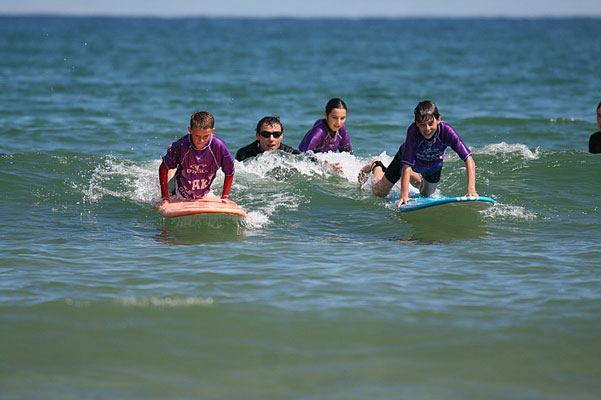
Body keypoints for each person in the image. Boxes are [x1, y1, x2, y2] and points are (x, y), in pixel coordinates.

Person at [358, 100, 478, 207]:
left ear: (439, 119)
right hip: (404, 162)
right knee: (379, 193)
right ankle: (376, 165)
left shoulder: (447, 131)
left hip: (433, 166)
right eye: (422, 125)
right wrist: (404, 195)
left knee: (426, 194)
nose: (427, 129)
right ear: (416, 124)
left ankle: (410, 178)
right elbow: (406, 166)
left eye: (431, 123)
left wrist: (471, 189)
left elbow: (468, 159)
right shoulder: (413, 132)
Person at [158, 111, 235, 203]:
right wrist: (165, 197)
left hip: (201, 190)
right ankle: (172, 157)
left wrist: (225, 196)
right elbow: (163, 168)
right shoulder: (181, 145)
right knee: (170, 168)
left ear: (212, 131)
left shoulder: (219, 146)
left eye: (206, 136)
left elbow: (230, 172)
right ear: (190, 130)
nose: (201, 141)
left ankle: (173, 159)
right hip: (177, 188)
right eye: (197, 136)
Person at [235, 116, 301, 161]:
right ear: (258, 136)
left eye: (276, 134)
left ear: (281, 136)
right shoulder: (244, 154)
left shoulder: (292, 154)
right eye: (266, 134)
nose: (271, 139)